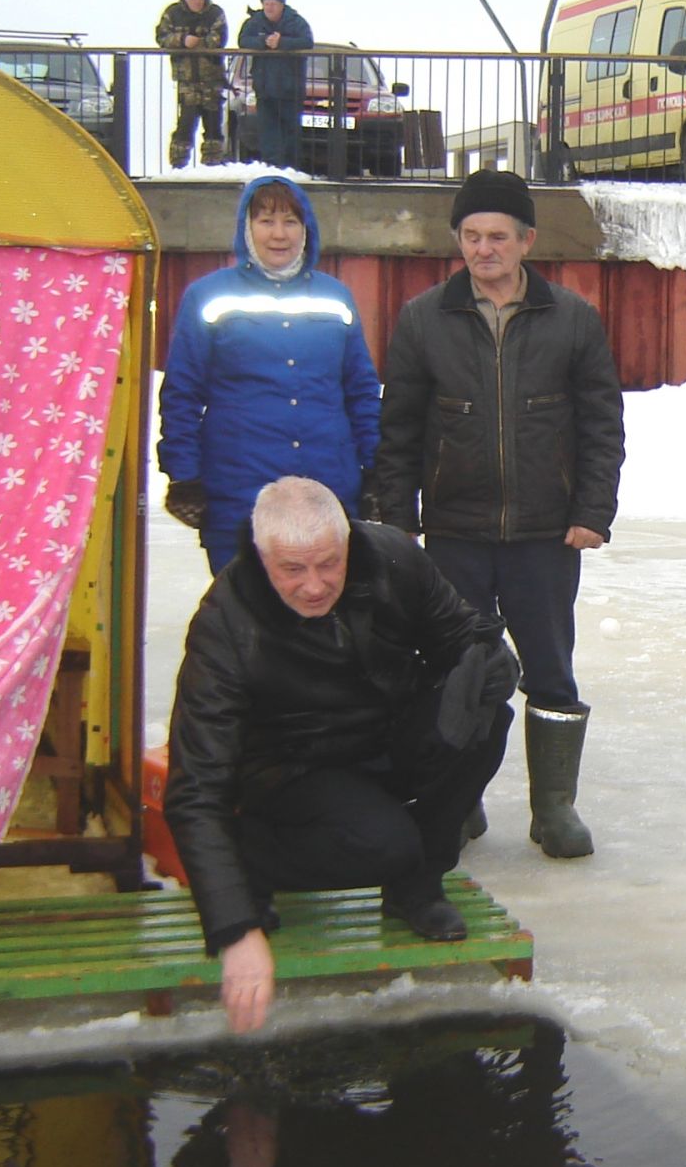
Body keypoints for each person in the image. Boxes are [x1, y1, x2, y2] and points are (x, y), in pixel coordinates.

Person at [163, 476, 519, 1035]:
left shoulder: (392, 560)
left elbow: (466, 634)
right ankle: (252, 859)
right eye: (293, 570)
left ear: (349, 542)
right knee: (384, 845)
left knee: (485, 712)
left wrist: (491, 666)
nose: (314, 586)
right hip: (292, 767)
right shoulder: (226, 622)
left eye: (328, 563)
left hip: (384, 734)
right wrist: (234, 929)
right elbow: (195, 785)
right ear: (262, 558)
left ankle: (417, 885)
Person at [372, 170, 625, 860]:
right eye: (472, 237)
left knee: (550, 670)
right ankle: (460, 798)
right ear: (458, 240)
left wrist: (593, 510)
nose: (484, 250)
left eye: (499, 237)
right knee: (456, 669)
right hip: (455, 532)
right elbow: (397, 432)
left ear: (526, 242)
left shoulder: (571, 318)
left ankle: (554, 807)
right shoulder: (425, 318)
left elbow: (602, 423)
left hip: (547, 534)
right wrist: (398, 524)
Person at [157, 175, 382, 573]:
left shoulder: (336, 297)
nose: (279, 235)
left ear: (307, 229)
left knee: (322, 612)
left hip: (327, 487)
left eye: (291, 222)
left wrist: (375, 467)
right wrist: (184, 475)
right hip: (239, 493)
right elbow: (182, 394)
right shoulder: (207, 296)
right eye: (266, 221)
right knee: (245, 619)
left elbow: (361, 391)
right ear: (246, 228)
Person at [155, 0, 229, 169]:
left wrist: (197, 44)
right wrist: (182, 40)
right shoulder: (172, 14)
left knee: (213, 124)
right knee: (185, 124)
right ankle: (178, 165)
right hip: (186, 80)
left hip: (212, 78)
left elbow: (219, 38)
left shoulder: (215, 13)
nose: (198, 2)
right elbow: (162, 37)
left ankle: (213, 164)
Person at [237, 0, 313, 168]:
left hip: (290, 89)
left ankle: (291, 169)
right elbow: (243, 40)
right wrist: (263, 42)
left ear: (282, 5)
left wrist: (282, 42)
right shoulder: (255, 22)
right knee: (268, 133)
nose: (269, 7)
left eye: (273, 4)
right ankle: (271, 167)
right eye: (266, 3)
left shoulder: (296, 22)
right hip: (264, 89)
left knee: (290, 133)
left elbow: (307, 41)